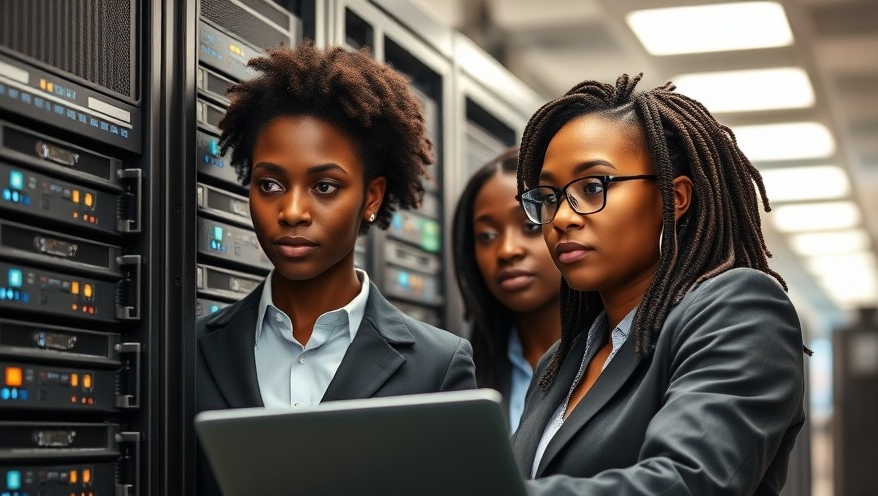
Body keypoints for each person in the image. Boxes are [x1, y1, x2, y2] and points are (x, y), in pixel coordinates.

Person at [195, 42, 476, 494]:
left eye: (324, 186)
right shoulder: (192, 351)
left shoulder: (437, 367)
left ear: (371, 197)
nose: (291, 211)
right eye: (269, 184)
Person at [511, 74, 807, 495]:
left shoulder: (740, 310)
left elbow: (687, 482)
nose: (562, 218)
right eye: (549, 197)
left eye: (593, 187)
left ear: (675, 198)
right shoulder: (560, 362)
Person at [451, 146, 562, 433]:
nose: (507, 250)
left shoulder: (627, 356)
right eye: (486, 235)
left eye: (529, 225)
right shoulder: (460, 377)